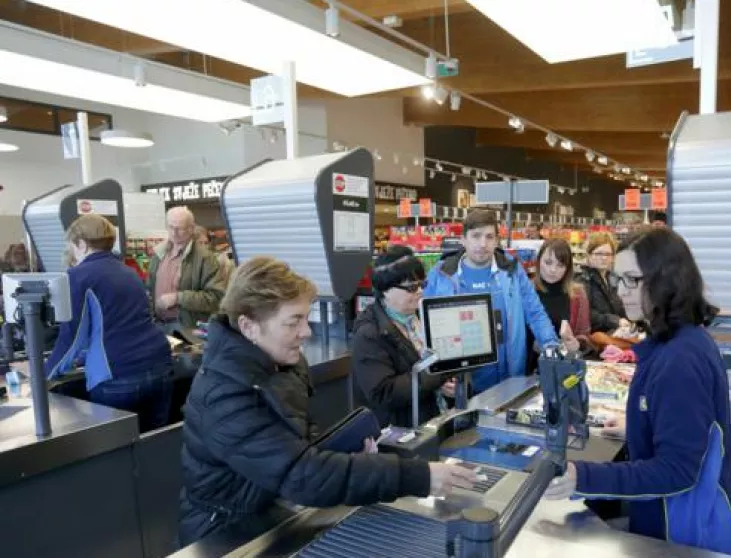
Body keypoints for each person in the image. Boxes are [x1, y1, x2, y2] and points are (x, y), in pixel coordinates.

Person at [178, 256, 478, 546]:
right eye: (293, 321)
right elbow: (302, 476)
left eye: (305, 319)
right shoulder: (224, 396)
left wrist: (346, 452)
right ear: (248, 326)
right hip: (227, 534)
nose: (306, 332)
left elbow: (295, 450)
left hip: (271, 512)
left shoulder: (280, 364)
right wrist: (417, 476)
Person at [544, 228, 731, 557]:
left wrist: (582, 476)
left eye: (633, 279)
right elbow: (690, 432)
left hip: (690, 534)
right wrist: (642, 427)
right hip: (670, 521)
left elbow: (678, 472)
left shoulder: (680, 360)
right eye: (618, 279)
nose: (622, 291)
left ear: (667, 279)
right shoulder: (672, 340)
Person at [45, 215, 173, 432]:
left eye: (71, 245)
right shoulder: (128, 272)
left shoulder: (78, 276)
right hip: (160, 365)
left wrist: (43, 375)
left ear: (82, 244)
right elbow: (122, 325)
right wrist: (85, 357)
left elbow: (71, 339)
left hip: (118, 377)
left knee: (116, 452)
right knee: (154, 447)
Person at [424, 209, 561, 394]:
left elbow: (535, 312)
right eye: (476, 236)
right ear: (463, 239)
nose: (483, 244)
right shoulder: (442, 274)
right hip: (461, 382)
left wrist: (551, 345)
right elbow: (426, 328)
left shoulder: (512, 270)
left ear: (497, 240)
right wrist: (436, 377)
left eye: (489, 237)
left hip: (510, 377)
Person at [352, 246, 455, 427]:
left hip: (433, 420)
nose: (420, 292)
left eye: (422, 285)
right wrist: (437, 375)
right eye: (411, 287)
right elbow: (384, 393)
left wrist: (447, 383)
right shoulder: (369, 333)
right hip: (401, 434)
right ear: (385, 289)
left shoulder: (420, 316)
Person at [148, 206, 225, 332]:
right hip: (158, 325)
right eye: (171, 227)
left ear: (191, 228)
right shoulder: (158, 254)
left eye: (180, 228)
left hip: (186, 328)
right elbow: (149, 289)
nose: (174, 232)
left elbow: (216, 298)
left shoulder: (205, 258)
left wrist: (178, 298)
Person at [531, 238, 589, 353]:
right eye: (548, 262)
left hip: (565, 364)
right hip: (530, 364)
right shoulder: (526, 291)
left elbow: (585, 336)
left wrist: (576, 344)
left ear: (567, 269)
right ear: (538, 261)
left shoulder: (578, 295)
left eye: (560, 265)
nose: (553, 270)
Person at [576, 232, 630, 334]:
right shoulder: (582, 280)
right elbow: (585, 313)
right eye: (599, 254)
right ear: (589, 255)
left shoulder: (613, 278)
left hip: (617, 333)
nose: (604, 258)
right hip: (596, 338)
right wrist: (615, 321)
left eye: (608, 254)